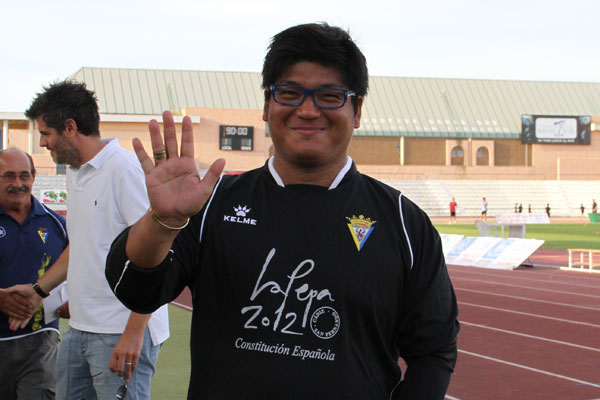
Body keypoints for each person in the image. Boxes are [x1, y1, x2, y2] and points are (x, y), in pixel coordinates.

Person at [105, 23, 459, 399]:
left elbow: (433, 350)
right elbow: (135, 291)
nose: (308, 110)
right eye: (289, 93)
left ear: (357, 110)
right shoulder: (210, 205)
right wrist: (165, 222)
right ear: (266, 106)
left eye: (330, 95)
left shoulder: (404, 222)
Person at [7, 81, 169, 400]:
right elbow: (82, 246)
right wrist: (40, 290)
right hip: (80, 330)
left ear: (69, 128)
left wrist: (135, 332)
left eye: (45, 133)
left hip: (121, 333)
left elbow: (160, 253)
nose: (42, 143)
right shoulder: (75, 171)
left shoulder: (125, 170)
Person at [0, 149, 68, 400]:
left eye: (24, 176)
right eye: (8, 176)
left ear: (34, 176)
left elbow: (79, 266)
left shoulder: (56, 224)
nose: (18, 184)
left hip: (40, 341)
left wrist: (75, 300)